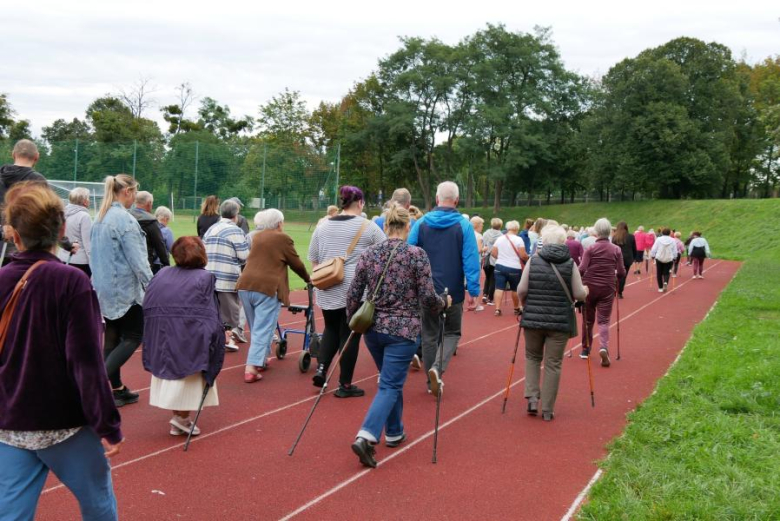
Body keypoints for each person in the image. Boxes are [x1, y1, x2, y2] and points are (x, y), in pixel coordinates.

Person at [0, 183, 123, 520]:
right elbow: (85, 361)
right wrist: (107, 423)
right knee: (98, 503)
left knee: (10, 512)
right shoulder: (71, 282)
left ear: (13, 233)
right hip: (62, 422)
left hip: (10, 421)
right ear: (62, 228)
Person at [346, 203, 448, 467]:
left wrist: (352, 321)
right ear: (407, 226)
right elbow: (427, 298)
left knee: (390, 381)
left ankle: (394, 431)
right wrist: (443, 303)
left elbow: (354, 292)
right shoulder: (416, 255)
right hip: (403, 330)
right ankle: (367, 435)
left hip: (372, 329)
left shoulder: (369, 253)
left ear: (386, 226)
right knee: (390, 384)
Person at [142, 237, 225, 435]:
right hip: (187, 335)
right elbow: (209, 312)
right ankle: (181, 418)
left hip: (162, 334)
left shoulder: (162, 273)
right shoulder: (204, 278)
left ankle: (180, 417)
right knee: (188, 377)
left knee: (177, 378)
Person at [308, 186, 385, 396]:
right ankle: (345, 384)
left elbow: (314, 259)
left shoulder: (322, 226)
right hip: (355, 287)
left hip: (327, 285)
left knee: (331, 329)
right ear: (360, 202)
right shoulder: (367, 227)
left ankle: (322, 370)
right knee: (350, 335)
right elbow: (385, 252)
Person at [408, 181, 481, 397]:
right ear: (456, 200)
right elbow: (470, 259)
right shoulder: (464, 226)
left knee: (428, 334)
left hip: (425, 289)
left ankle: (431, 381)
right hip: (453, 290)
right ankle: (437, 369)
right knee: (451, 332)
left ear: (437, 199)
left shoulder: (420, 223)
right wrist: (474, 291)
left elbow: (410, 254)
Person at [91, 174, 154, 407]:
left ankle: (116, 389)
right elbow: (139, 261)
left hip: (104, 288)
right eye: (135, 192)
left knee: (112, 337)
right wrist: (153, 286)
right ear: (127, 192)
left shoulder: (99, 218)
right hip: (125, 290)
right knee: (134, 335)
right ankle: (95, 387)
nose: (135, 197)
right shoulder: (124, 220)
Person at [517, 225, 588, 421]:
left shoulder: (534, 260)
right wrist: (586, 291)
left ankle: (532, 398)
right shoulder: (570, 263)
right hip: (560, 321)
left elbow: (521, 290)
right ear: (564, 242)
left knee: (532, 357)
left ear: (544, 241)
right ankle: (547, 409)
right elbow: (579, 293)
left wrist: (525, 306)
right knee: (553, 364)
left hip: (532, 319)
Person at [237, 209, 310, 382]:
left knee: (256, 327)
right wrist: (308, 279)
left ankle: (260, 360)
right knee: (263, 329)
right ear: (279, 223)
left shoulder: (257, 236)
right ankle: (251, 368)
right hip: (266, 288)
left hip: (245, 285)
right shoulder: (282, 238)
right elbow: (296, 263)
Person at [203, 199, 250, 352]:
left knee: (213, 310)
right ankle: (227, 338)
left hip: (208, 276)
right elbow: (244, 255)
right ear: (236, 215)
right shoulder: (235, 231)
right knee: (230, 311)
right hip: (226, 277)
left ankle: (214, 338)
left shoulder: (211, 228)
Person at [578, 218, 625, 367]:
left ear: (597, 231)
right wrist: (616, 276)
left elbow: (581, 269)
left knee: (588, 320)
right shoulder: (616, 249)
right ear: (609, 231)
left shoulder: (590, 249)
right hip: (607, 288)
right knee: (604, 320)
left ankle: (585, 349)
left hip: (589, 288)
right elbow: (622, 271)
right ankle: (603, 347)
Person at [1, 140, 47, 267]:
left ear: (13, 154)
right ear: (36, 157)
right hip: (27, 250)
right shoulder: (38, 181)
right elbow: (47, 217)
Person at [491, 220, 528, 316]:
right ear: (516, 228)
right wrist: (528, 258)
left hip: (500, 266)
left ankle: (497, 309)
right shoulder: (519, 239)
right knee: (515, 289)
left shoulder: (500, 238)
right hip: (514, 267)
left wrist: (501, 258)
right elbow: (523, 255)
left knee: (499, 288)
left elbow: (493, 253)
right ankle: (516, 308)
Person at [130, 191, 170, 275]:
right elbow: (160, 245)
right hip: (145, 264)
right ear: (149, 203)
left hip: (127, 264)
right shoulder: (151, 221)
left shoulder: (126, 217)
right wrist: (166, 264)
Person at [60, 187, 93, 276]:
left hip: (62, 259)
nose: (89, 201)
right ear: (85, 202)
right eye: (88, 198)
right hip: (81, 263)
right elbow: (88, 244)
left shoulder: (62, 213)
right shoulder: (84, 216)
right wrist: (94, 265)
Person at [481, 218, 503, 306]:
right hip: (495, 258)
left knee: (487, 277)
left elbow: (483, 244)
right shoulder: (501, 235)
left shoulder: (486, 233)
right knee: (493, 278)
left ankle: (484, 294)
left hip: (486, 257)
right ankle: (490, 298)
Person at [612, 221, 637, 298]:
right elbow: (634, 248)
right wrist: (634, 257)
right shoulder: (631, 236)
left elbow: (612, 248)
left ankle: (614, 289)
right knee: (623, 276)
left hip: (616, 258)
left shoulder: (614, 237)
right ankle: (619, 292)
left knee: (615, 274)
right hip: (627, 259)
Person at [650, 228, 678, 293]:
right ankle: (665, 282)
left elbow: (654, 248)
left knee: (659, 273)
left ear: (662, 233)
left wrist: (652, 255)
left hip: (659, 257)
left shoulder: (658, 239)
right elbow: (674, 250)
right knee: (667, 272)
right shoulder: (673, 240)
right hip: (669, 258)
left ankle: (660, 287)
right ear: (669, 233)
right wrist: (675, 257)